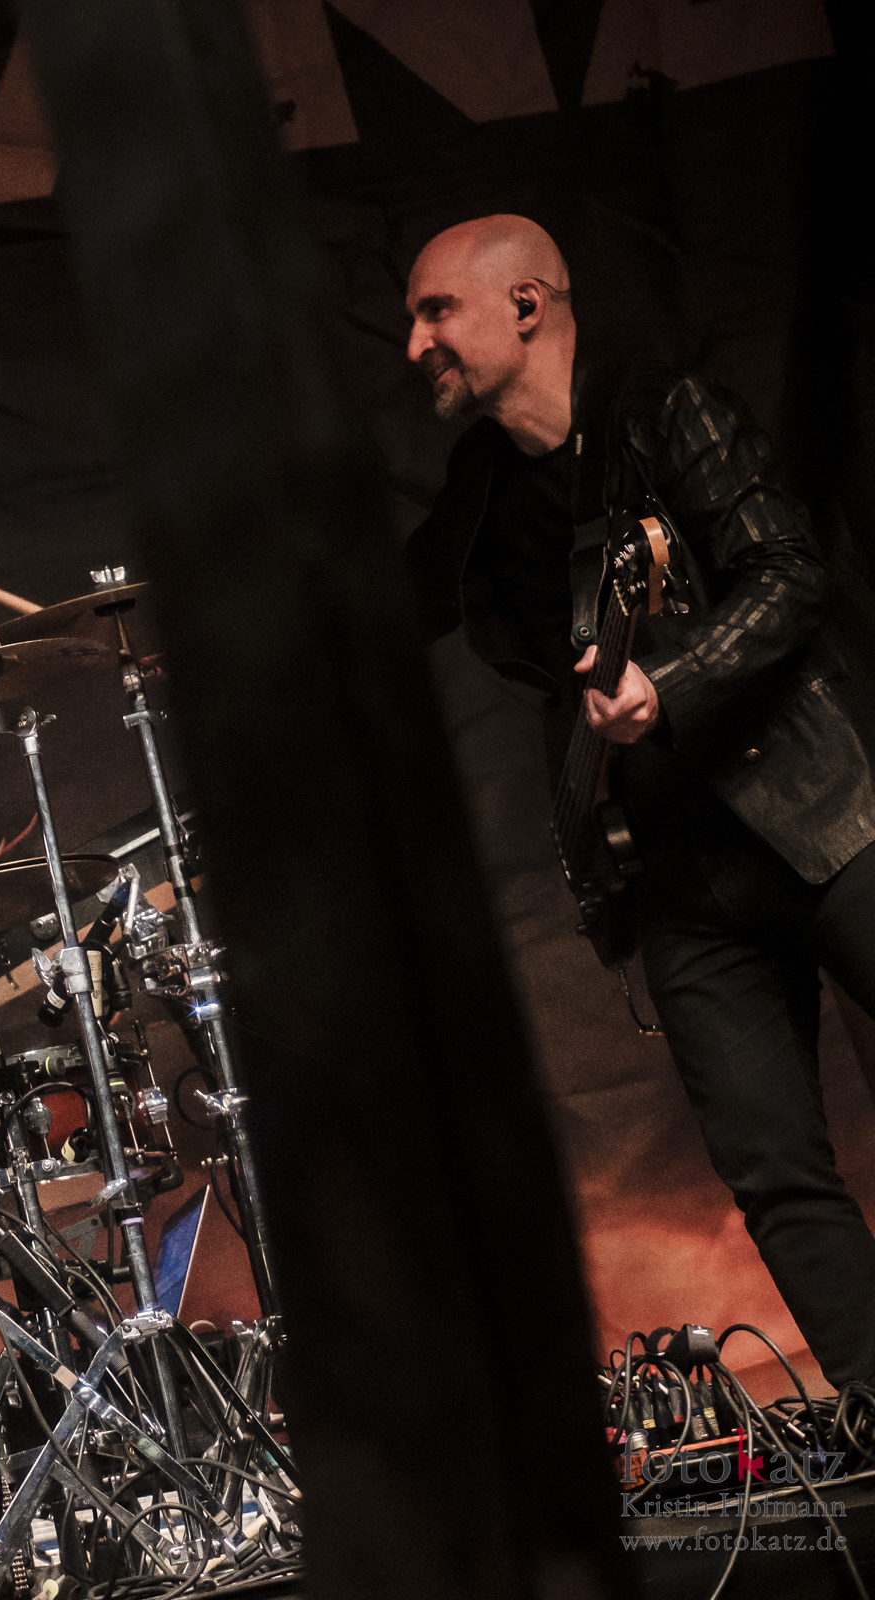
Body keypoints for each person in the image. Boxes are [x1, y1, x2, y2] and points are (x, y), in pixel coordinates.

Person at [402, 215, 875, 1389]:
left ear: (526, 305)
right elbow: (382, 606)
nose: (414, 345)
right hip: (675, 875)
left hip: (818, 812)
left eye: (435, 312)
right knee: (774, 1175)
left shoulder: (667, 409)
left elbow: (790, 571)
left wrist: (673, 681)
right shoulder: (479, 490)